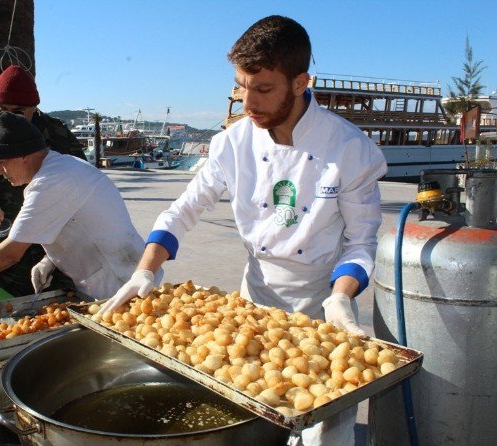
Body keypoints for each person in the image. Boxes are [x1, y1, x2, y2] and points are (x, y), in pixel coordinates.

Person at [101, 15, 387, 446]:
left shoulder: (350, 149)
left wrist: (341, 299)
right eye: (240, 86)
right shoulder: (232, 144)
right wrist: (146, 269)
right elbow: (182, 212)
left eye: (263, 89)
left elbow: (361, 242)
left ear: (300, 81)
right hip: (255, 302)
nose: (248, 102)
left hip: (321, 301)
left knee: (327, 427)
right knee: (251, 419)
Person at [0, 111, 159, 302]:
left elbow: (10, 255)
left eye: (2, 162)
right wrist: (50, 260)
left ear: (23, 155)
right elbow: (76, 221)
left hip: (121, 285)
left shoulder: (51, 182)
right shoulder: (64, 166)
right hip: (118, 278)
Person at [0, 65, 87, 297]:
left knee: (62, 319)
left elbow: (83, 186)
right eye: (2, 110)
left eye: (18, 111)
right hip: (6, 262)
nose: (9, 117)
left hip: (57, 256)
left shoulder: (59, 136)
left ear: (34, 107)